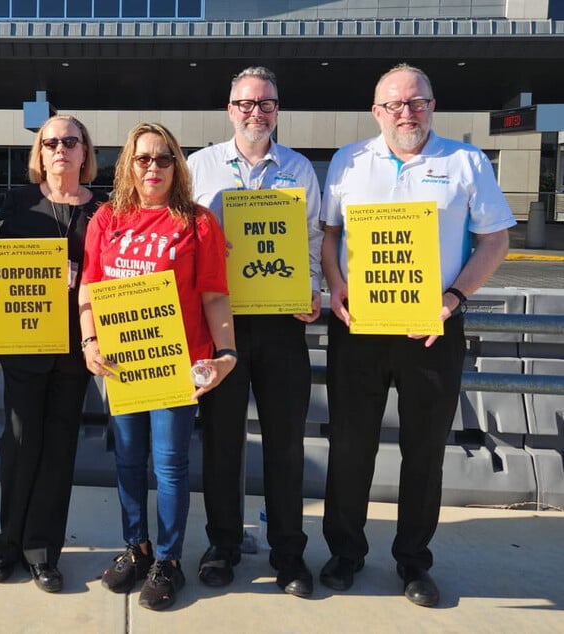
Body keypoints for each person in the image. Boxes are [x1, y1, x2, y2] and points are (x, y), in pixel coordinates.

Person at [319, 63, 515, 607]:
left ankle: (413, 562)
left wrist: (455, 298)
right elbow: (330, 235)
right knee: (350, 446)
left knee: (424, 450)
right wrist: (334, 285)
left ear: (432, 105)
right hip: (358, 327)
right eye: (395, 104)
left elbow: (495, 240)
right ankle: (346, 552)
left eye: (417, 101)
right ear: (376, 111)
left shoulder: (465, 161)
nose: (407, 112)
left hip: (434, 329)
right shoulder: (348, 161)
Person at [79, 122, 237, 611]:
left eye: (163, 158)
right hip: (123, 363)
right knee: (127, 461)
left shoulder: (197, 222)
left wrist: (227, 355)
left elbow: (214, 296)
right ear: (128, 163)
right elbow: (88, 287)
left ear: (177, 164)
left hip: (176, 363)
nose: (152, 167)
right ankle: (137, 546)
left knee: (169, 466)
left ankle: (168, 560)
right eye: (143, 158)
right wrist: (88, 339)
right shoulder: (106, 219)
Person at [187, 66, 323, 597]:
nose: (255, 112)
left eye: (265, 103)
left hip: (283, 324)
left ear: (277, 110)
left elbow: (313, 236)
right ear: (229, 109)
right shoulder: (198, 167)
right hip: (220, 325)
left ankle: (289, 553)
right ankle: (222, 545)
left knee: (285, 442)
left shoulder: (298, 168)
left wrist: (312, 286)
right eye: (245, 103)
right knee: (221, 441)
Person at [0, 115, 106, 593]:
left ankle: (43, 551)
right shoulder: (19, 204)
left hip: (78, 349)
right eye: (50, 142)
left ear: (85, 151)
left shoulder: (104, 211)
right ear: (40, 153)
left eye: (70, 141)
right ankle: (7, 544)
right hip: (26, 344)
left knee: (58, 448)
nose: (60, 150)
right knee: (18, 444)